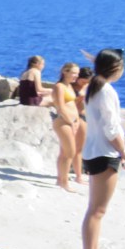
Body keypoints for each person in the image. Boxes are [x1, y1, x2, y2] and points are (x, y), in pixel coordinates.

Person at [78, 48, 125, 249]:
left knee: (95, 209)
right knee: (97, 210)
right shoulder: (105, 90)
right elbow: (111, 128)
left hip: (94, 151)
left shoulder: (96, 86)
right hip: (105, 154)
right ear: (116, 68)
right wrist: (124, 152)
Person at [50, 62, 82, 192]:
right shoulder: (59, 87)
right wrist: (71, 122)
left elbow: (72, 105)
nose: (76, 76)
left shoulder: (69, 86)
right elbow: (61, 107)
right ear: (65, 72)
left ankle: (60, 180)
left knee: (64, 152)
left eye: (77, 74)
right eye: (74, 73)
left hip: (71, 121)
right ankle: (64, 182)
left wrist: (77, 120)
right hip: (63, 122)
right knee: (70, 152)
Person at [71, 67, 93, 184]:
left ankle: (80, 172)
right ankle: (78, 176)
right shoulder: (70, 87)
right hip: (76, 117)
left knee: (83, 147)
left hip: (87, 117)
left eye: (87, 82)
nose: (85, 84)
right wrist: (80, 97)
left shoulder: (89, 87)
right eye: (83, 81)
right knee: (77, 148)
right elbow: (69, 104)